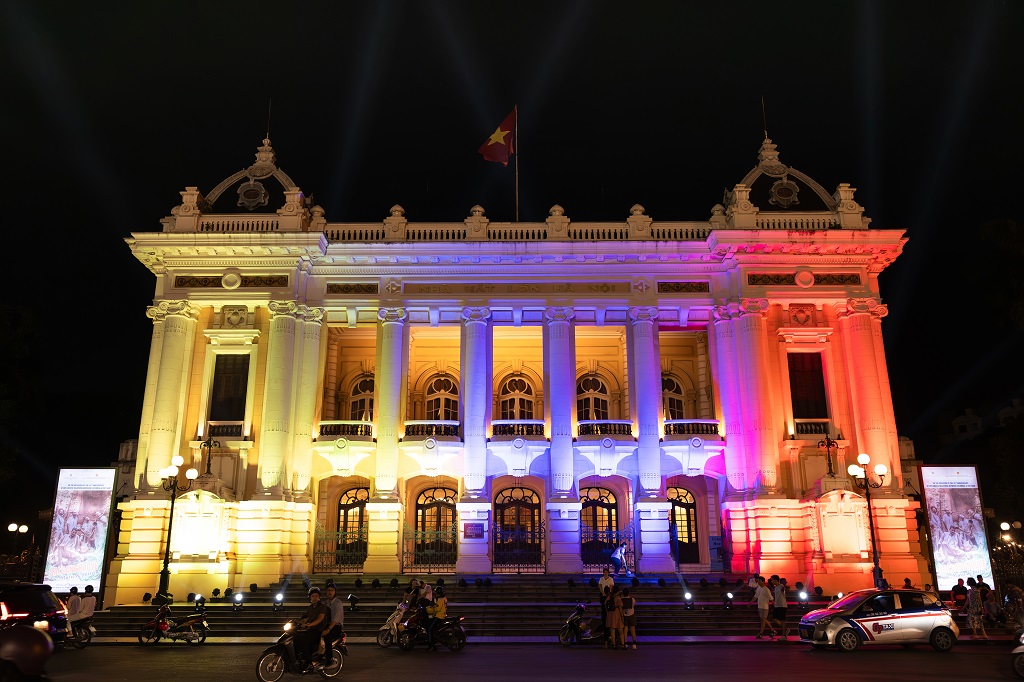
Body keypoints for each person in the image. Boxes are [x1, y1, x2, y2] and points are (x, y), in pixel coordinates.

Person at [295, 587, 330, 669]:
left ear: (319, 597)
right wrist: (297, 622)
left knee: (303, 639)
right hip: (310, 630)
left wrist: (309, 625)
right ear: (310, 597)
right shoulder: (310, 608)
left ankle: (308, 661)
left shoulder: (322, 607)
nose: (314, 598)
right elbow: (306, 618)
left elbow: (320, 619)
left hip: (318, 630)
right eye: (313, 596)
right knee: (296, 637)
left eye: (316, 596)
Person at [321, 583, 344, 666]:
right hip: (327, 625)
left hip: (336, 627)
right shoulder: (325, 603)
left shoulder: (338, 603)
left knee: (327, 637)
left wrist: (328, 629)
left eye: (332, 590)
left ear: (335, 592)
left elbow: (336, 619)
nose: (330, 592)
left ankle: (329, 659)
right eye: (328, 590)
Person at [425, 585, 448, 651]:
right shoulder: (444, 598)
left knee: (429, 630)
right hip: (443, 615)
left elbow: (437, 609)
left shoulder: (440, 600)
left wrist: (433, 607)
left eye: (436, 593)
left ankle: (430, 645)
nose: (435, 594)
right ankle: (434, 644)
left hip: (439, 616)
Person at [605, 584, 625, 649]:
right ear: (618, 591)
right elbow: (620, 608)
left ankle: (614, 645)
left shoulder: (609, 597)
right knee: (620, 630)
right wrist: (622, 616)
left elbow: (605, 604)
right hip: (617, 614)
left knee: (612, 630)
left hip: (610, 615)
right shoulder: (618, 598)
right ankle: (622, 644)